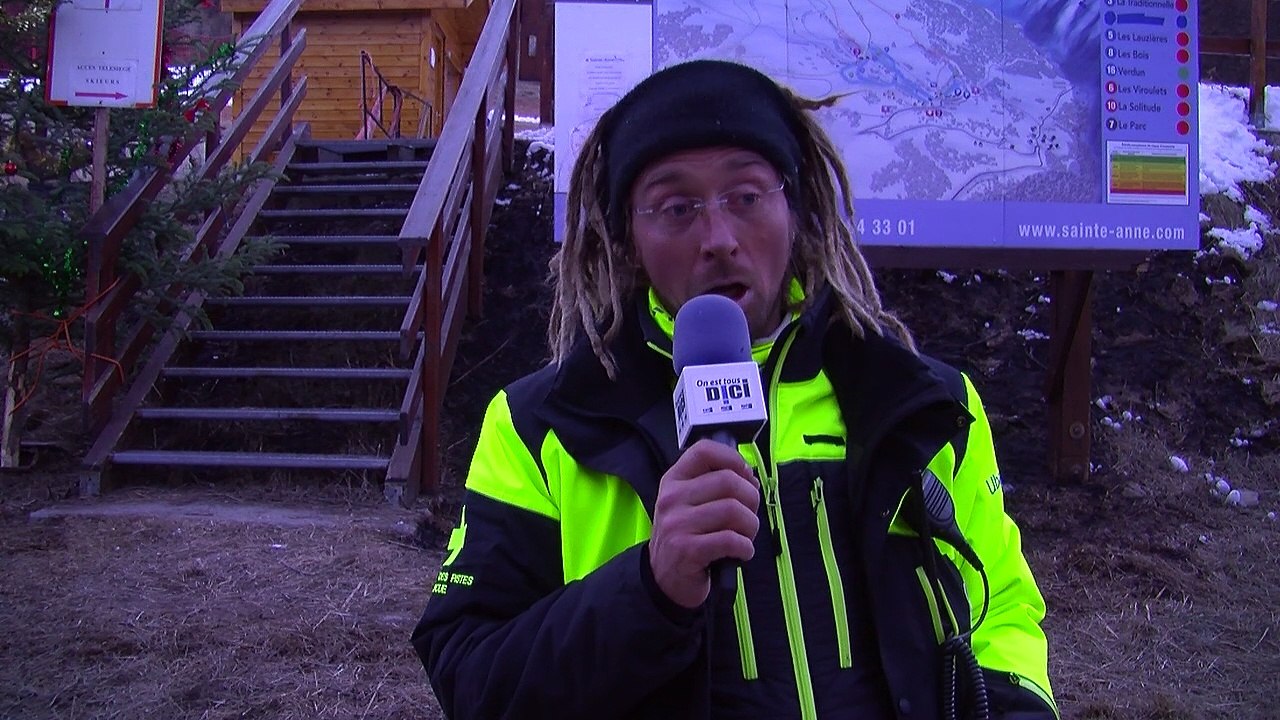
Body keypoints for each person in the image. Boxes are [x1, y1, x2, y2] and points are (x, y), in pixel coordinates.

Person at [412, 59, 1057, 720]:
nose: (719, 239)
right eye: (675, 207)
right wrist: (650, 590)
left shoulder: (925, 406)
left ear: (795, 210)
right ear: (628, 238)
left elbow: (1002, 613)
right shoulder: (539, 427)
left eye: (746, 196)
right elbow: (470, 674)